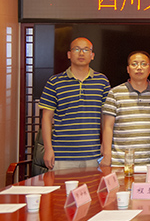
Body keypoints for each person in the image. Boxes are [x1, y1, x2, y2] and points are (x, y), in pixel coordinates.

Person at [39, 37, 110, 170]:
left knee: (92, 185)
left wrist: (105, 147)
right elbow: (46, 118)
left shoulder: (102, 81)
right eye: (76, 49)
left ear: (92, 55)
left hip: (93, 155)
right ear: (69, 54)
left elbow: (106, 118)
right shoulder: (54, 82)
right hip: (61, 156)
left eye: (86, 50)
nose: (81, 53)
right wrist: (48, 149)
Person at [101, 51, 150, 167]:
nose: (139, 68)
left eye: (143, 64)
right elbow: (107, 127)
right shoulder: (115, 93)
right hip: (120, 161)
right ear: (128, 69)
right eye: (134, 64)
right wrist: (107, 155)